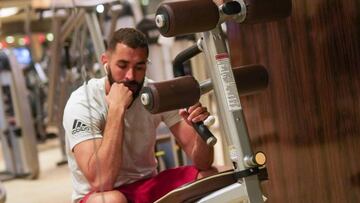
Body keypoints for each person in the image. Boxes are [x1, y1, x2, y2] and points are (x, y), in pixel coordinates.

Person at [63, 27, 216, 203]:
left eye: (139, 67)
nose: (131, 76)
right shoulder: (83, 102)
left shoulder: (154, 94)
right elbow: (100, 181)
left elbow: (204, 163)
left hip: (147, 184)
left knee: (211, 176)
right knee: (111, 200)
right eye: (122, 65)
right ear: (106, 61)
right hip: (100, 194)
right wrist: (116, 109)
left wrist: (199, 131)